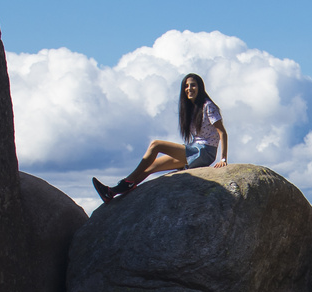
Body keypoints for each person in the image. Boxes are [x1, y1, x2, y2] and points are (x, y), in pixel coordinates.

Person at [93, 73, 228, 204]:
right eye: (186, 86)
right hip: (195, 150)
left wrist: (223, 159)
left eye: (193, 85)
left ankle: (126, 181)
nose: (189, 89)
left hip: (204, 152)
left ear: (200, 87)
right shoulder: (191, 109)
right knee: (151, 167)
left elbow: (222, 133)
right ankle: (112, 192)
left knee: (156, 145)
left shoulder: (208, 106)